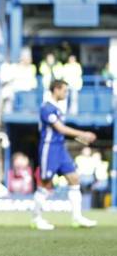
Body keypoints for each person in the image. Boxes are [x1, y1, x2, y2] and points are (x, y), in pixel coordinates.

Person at [31, 80, 97, 230]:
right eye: (64, 91)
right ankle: (36, 218)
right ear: (56, 90)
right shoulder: (46, 108)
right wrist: (82, 134)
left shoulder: (57, 109)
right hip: (49, 149)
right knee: (45, 183)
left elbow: (60, 132)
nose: (66, 94)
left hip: (60, 148)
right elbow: (60, 129)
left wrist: (79, 138)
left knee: (74, 178)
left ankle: (77, 217)